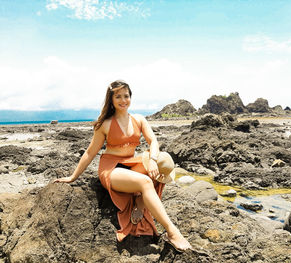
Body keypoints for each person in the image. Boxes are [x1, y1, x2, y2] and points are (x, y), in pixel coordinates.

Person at [54, 80, 192, 252]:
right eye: (118, 96)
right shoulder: (104, 124)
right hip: (111, 168)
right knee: (146, 182)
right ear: (111, 100)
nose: (123, 100)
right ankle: (172, 232)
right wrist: (73, 176)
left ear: (130, 97)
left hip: (130, 163)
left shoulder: (139, 119)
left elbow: (153, 141)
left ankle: (140, 200)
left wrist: (154, 160)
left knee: (163, 165)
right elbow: (90, 153)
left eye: (126, 96)